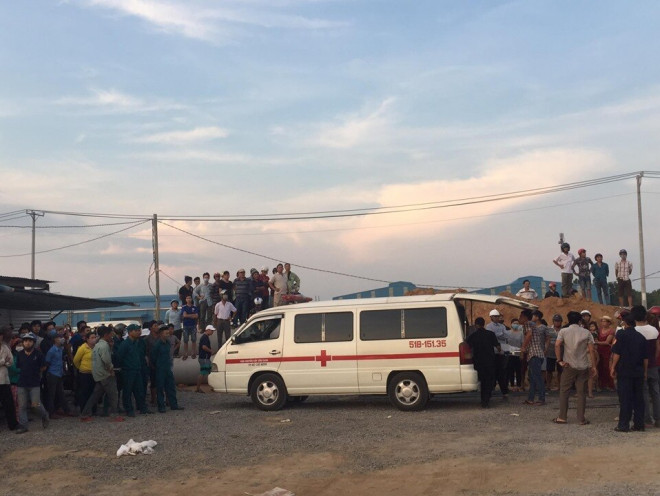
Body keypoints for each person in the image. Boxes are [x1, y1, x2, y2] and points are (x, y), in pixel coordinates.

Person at [553, 311, 597, 425]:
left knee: (564, 391)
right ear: (579, 320)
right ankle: (581, 419)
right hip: (583, 366)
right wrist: (593, 366)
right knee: (581, 393)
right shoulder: (586, 332)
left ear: (568, 320)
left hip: (569, 365)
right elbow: (592, 350)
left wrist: (559, 360)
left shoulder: (563, 331)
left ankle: (562, 417)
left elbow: (557, 345)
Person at [611, 311, 648, 432]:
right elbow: (645, 358)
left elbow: (617, 353)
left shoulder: (621, 334)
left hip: (625, 370)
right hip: (638, 371)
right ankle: (639, 424)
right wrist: (645, 372)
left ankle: (623, 425)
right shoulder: (641, 337)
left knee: (625, 398)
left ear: (625, 323)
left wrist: (613, 367)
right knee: (639, 399)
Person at [79, 327, 124, 423]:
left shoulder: (97, 345)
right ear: (106, 335)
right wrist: (111, 369)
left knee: (95, 395)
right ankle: (114, 415)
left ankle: (85, 414)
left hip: (98, 373)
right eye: (111, 334)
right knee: (113, 395)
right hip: (105, 374)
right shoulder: (104, 346)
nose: (112, 336)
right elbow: (106, 360)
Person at [630, 305, 660, 428]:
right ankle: (658, 419)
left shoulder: (633, 331)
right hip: (653, 364)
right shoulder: (654, 330)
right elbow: (658, 348)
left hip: (639, 366)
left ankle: (647, 419)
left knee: (643, 392)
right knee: (656, 392)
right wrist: (654, 360)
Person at [15, 332, 49, 434]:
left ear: (33, 342)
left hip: (34, 383)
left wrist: (36, 372)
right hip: (22, 383)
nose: (27, 343)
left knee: (35, 404)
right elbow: (18, 367)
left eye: (30, 341)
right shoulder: (20, 354)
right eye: (25, 341)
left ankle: (44, 415)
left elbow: (44, 367)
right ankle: (23, 426)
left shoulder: (38, 354)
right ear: (23, 343)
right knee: (22, 406)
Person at [117, 324, 151, 417]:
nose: (138, 332)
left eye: (139, 330)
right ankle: (129, 409)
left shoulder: (137, 343)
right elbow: (119, 357)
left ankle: (142, 408)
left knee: (139, 390)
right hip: (128, 371)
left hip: (137, 369)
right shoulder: (125, 344)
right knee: (127, 391)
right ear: (130, 332)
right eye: (136, 331)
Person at [466, 317, 501, 408]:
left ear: (476, 325)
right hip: (490, 361)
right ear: (484, 324)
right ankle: (487, 399)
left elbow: (467, 346)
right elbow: (498, 347)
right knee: (489, 381)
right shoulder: (490, 334)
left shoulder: (473, 336)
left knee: (482, 381)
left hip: (478, 362)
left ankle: (483, 400)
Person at [150, 326, 183, 413]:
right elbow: (153, 357)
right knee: (160, 388)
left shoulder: (168, 343)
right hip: (160, 368)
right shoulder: (157, 344)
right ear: (161, 334)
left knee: (171, 387)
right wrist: (157, 366)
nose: (168, 334)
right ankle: (161, 406)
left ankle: (174, 405)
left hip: (167, 367)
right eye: (166, 333)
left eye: (168, 333)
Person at [522, 310, 550, 405]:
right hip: (537, 354)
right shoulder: (534, 325)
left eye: (521, 316)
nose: (519, 319)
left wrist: (523, 347)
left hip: (534, 354)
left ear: (525, 317)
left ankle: (541, 398)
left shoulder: (528, 323)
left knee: (537, 377)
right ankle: (531, 398)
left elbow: (529, 335)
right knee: (533, 377)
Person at [44, 332, 73, 418]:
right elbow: (47, 362)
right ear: (54, 339)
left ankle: (66, 410)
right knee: (52, 394)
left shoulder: (60, 349)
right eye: (59, 338)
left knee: (60, 393)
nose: (61, 339)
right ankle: (51, 412)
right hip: (52, 373)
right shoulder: (52, 351)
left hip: (59, 373)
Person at [485, 309, 509, 401]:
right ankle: (491, 390)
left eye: (498, 316)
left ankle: (504, 392)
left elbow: (506, 335)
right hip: (493, 353)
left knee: (501, 373)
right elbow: (493, 336)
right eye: (495, 316)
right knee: (492, 373)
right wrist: (501, 334)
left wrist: (499, 335)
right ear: (491, 317)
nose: (497, 318)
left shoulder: (502, 326)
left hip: (501, 352)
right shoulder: (489, 326)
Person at [73, 331, 97, 414]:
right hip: (85, 374)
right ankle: (84, 410)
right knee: (84, 392)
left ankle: (93, 410)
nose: (94, 339)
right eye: (92, 338)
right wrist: (81, 368)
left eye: (95, 337)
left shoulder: (96, 347)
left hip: (94, 373)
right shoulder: (83, 348)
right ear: (87, 339)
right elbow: (76, 360)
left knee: (94, 392)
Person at [0, 326, 18, 431]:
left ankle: (13, 424)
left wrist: (5, 363)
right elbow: (5, 361)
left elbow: (10, 361)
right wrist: (3, 362)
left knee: (9, 403)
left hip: (4, 379)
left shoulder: (5, 347)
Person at [595, 316, 616, 391]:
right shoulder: (599, 330)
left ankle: (609, 385)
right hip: (599, 350)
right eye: (602, 321)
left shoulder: (611, 331)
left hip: (607, 351)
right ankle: (601, 384)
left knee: (607, 367)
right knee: (600, 367)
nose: (603, 323)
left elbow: (607, 342)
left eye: (605, 321)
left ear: (609, 323)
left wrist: (597, 342)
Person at [505, 319, 523, 390]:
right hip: (510, 354)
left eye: (517, 324)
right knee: (510, 370)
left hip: (518, 354)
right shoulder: (507, 333)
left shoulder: (521, 333)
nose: (516, 325)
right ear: (511, 324)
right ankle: (512, 385)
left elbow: (522, 344)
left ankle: (518, 385)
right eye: (515, 323)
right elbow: (505, 343)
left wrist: (521, 354)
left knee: (518, 371)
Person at [196, 325, 215, 393]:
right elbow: (204, 347)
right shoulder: (204, 337)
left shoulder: (205, 337)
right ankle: (198, 388)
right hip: (204, 358)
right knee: (203, 372)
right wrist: (210, 351)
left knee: (209, 371)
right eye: (211, 330)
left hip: (205, 357)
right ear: (208, 330)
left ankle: (213, 386)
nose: (212, 332)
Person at [545, 315, 562, 391]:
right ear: (553, 321)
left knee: (560, 371)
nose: (557, 322)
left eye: (558, 321)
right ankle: (548, 386)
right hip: (550, 353)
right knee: (549, 370)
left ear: (561, 322)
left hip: (561, 353)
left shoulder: (563, 330)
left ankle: (559, 386)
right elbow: (546, 339)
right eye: (555, 321)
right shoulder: (548, 329)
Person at [181, 295, 199, 360]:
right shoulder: (184, 307)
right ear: (186, 299)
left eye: (189, 298)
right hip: (185, 325)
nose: (188, 299)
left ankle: (193, 353)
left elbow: (196, 316)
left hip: (193, 325)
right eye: (187, 298)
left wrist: (188, 315)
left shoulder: (195, 307)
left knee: (193, 340)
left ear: (191, 299)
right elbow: (184, 315)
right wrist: (192, 315)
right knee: (185, 340)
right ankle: (185, 354)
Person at [587, 321, 600, 398]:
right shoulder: (586, 334)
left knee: (592, 374)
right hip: (585, 355)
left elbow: (594, 347)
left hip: (590, 354)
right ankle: (587, 391)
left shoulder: (593, 334)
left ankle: (591, 391)